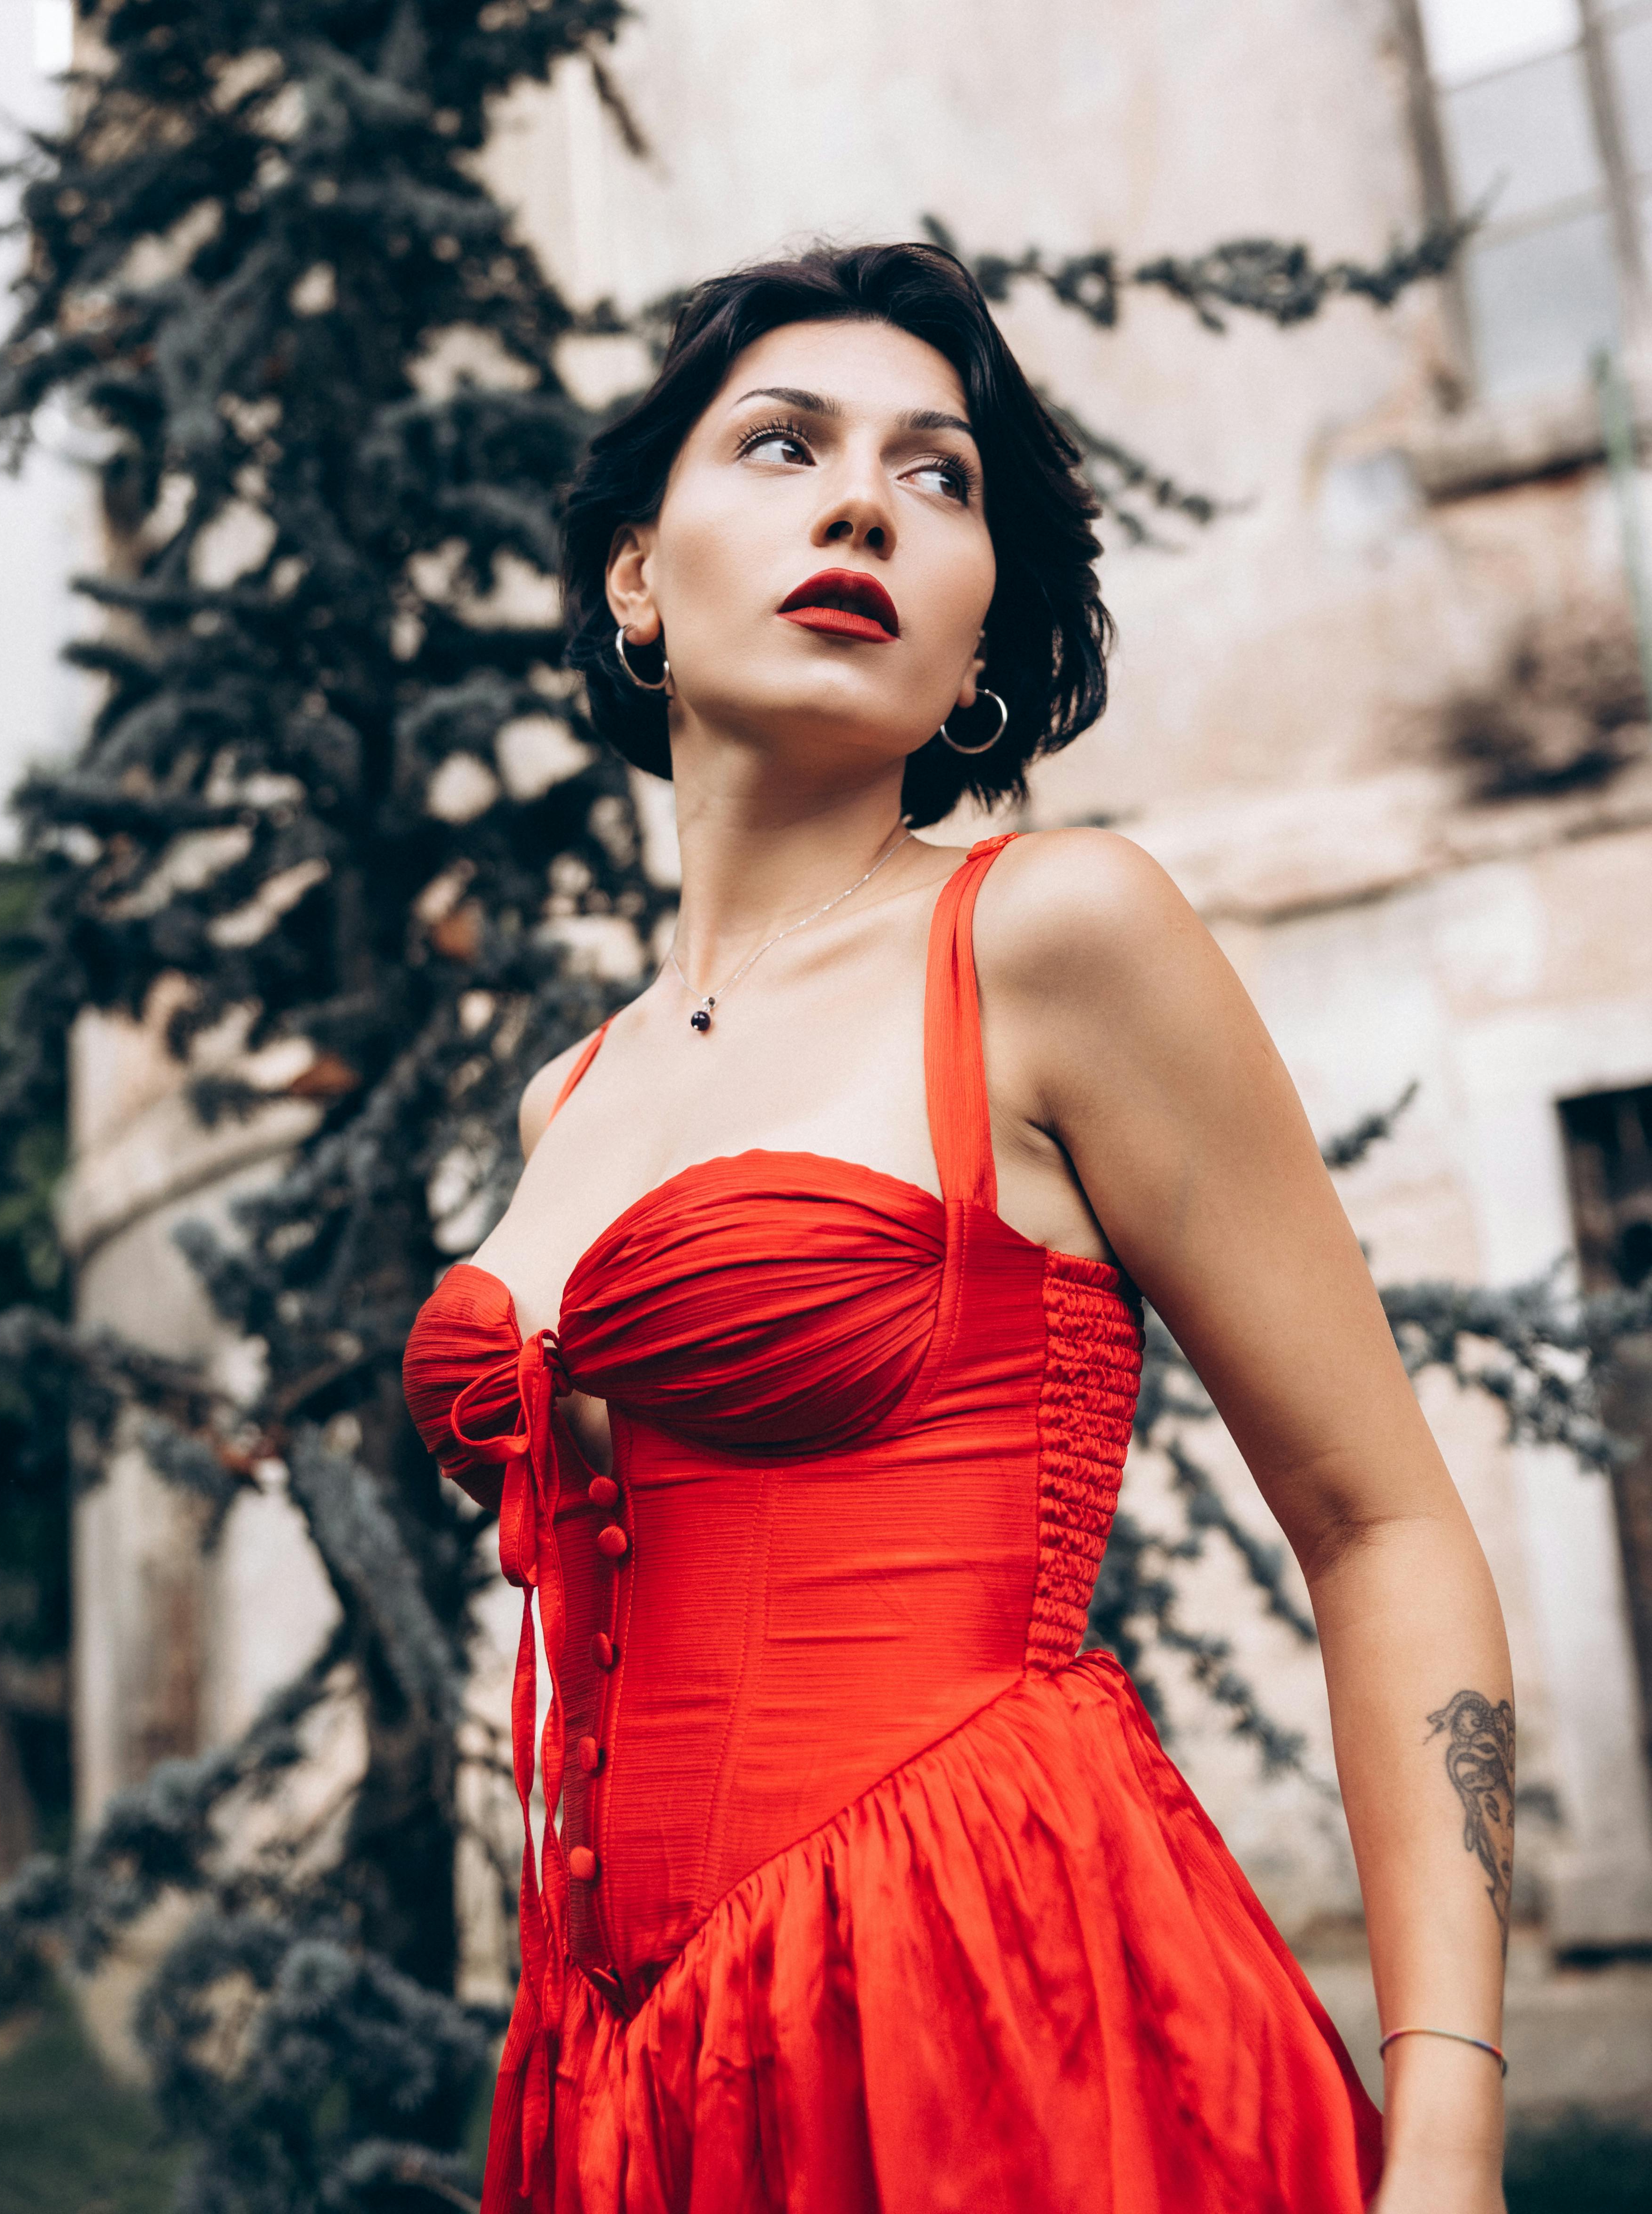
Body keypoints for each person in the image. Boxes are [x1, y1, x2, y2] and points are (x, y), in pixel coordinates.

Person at [403, 243, 1513, 2214]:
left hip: (1000, 2016)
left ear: (979, 630)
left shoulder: (1052, 937)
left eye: (939, 477)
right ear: (633, 579)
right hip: (616, 2083)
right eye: (782, 444)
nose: (863, 502)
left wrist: (1445, 2127)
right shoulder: (560, 1100)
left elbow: (1386, 1525)